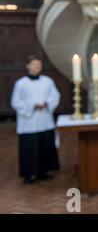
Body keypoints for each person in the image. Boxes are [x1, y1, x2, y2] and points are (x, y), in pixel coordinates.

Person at [11, 56, 61, 184]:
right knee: (29, 147)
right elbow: (15, 102)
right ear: (27, 66)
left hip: (44, 118)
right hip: (29, 121)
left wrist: (47, 103)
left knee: (44, 145)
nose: (37, 67)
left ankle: (43, 172)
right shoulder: (21, 83)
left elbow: (55, 95)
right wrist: (32, 105)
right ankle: (28, 174)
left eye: (39, 64)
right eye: (34, 64)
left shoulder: (47, 81)